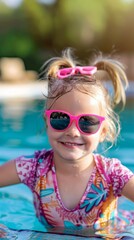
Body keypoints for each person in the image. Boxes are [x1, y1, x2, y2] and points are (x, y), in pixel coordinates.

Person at [0, 49, 134, 237]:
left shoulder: (113, 174)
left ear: (103, 132)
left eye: (87, 122)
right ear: (47, 123)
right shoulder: (33, 168)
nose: (72, 131)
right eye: (60, 119)